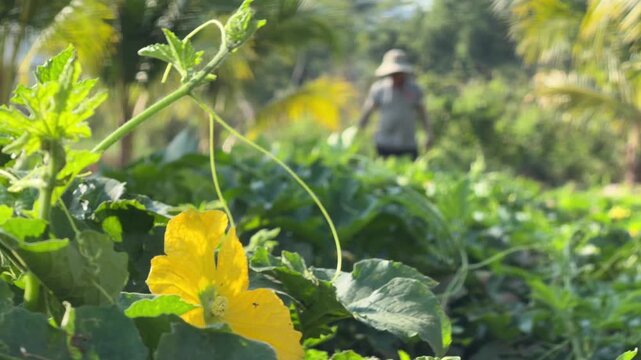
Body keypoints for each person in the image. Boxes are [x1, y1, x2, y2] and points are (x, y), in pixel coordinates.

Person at [358, 49, 432, 160]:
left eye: (399, 74)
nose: (396, 77)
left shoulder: (415, 89)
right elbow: (367, 111)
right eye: (393, 74)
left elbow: (423, 113)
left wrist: (429, 134)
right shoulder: (379, 89)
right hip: (384, 144)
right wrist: (359, 132)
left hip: (407, 144)